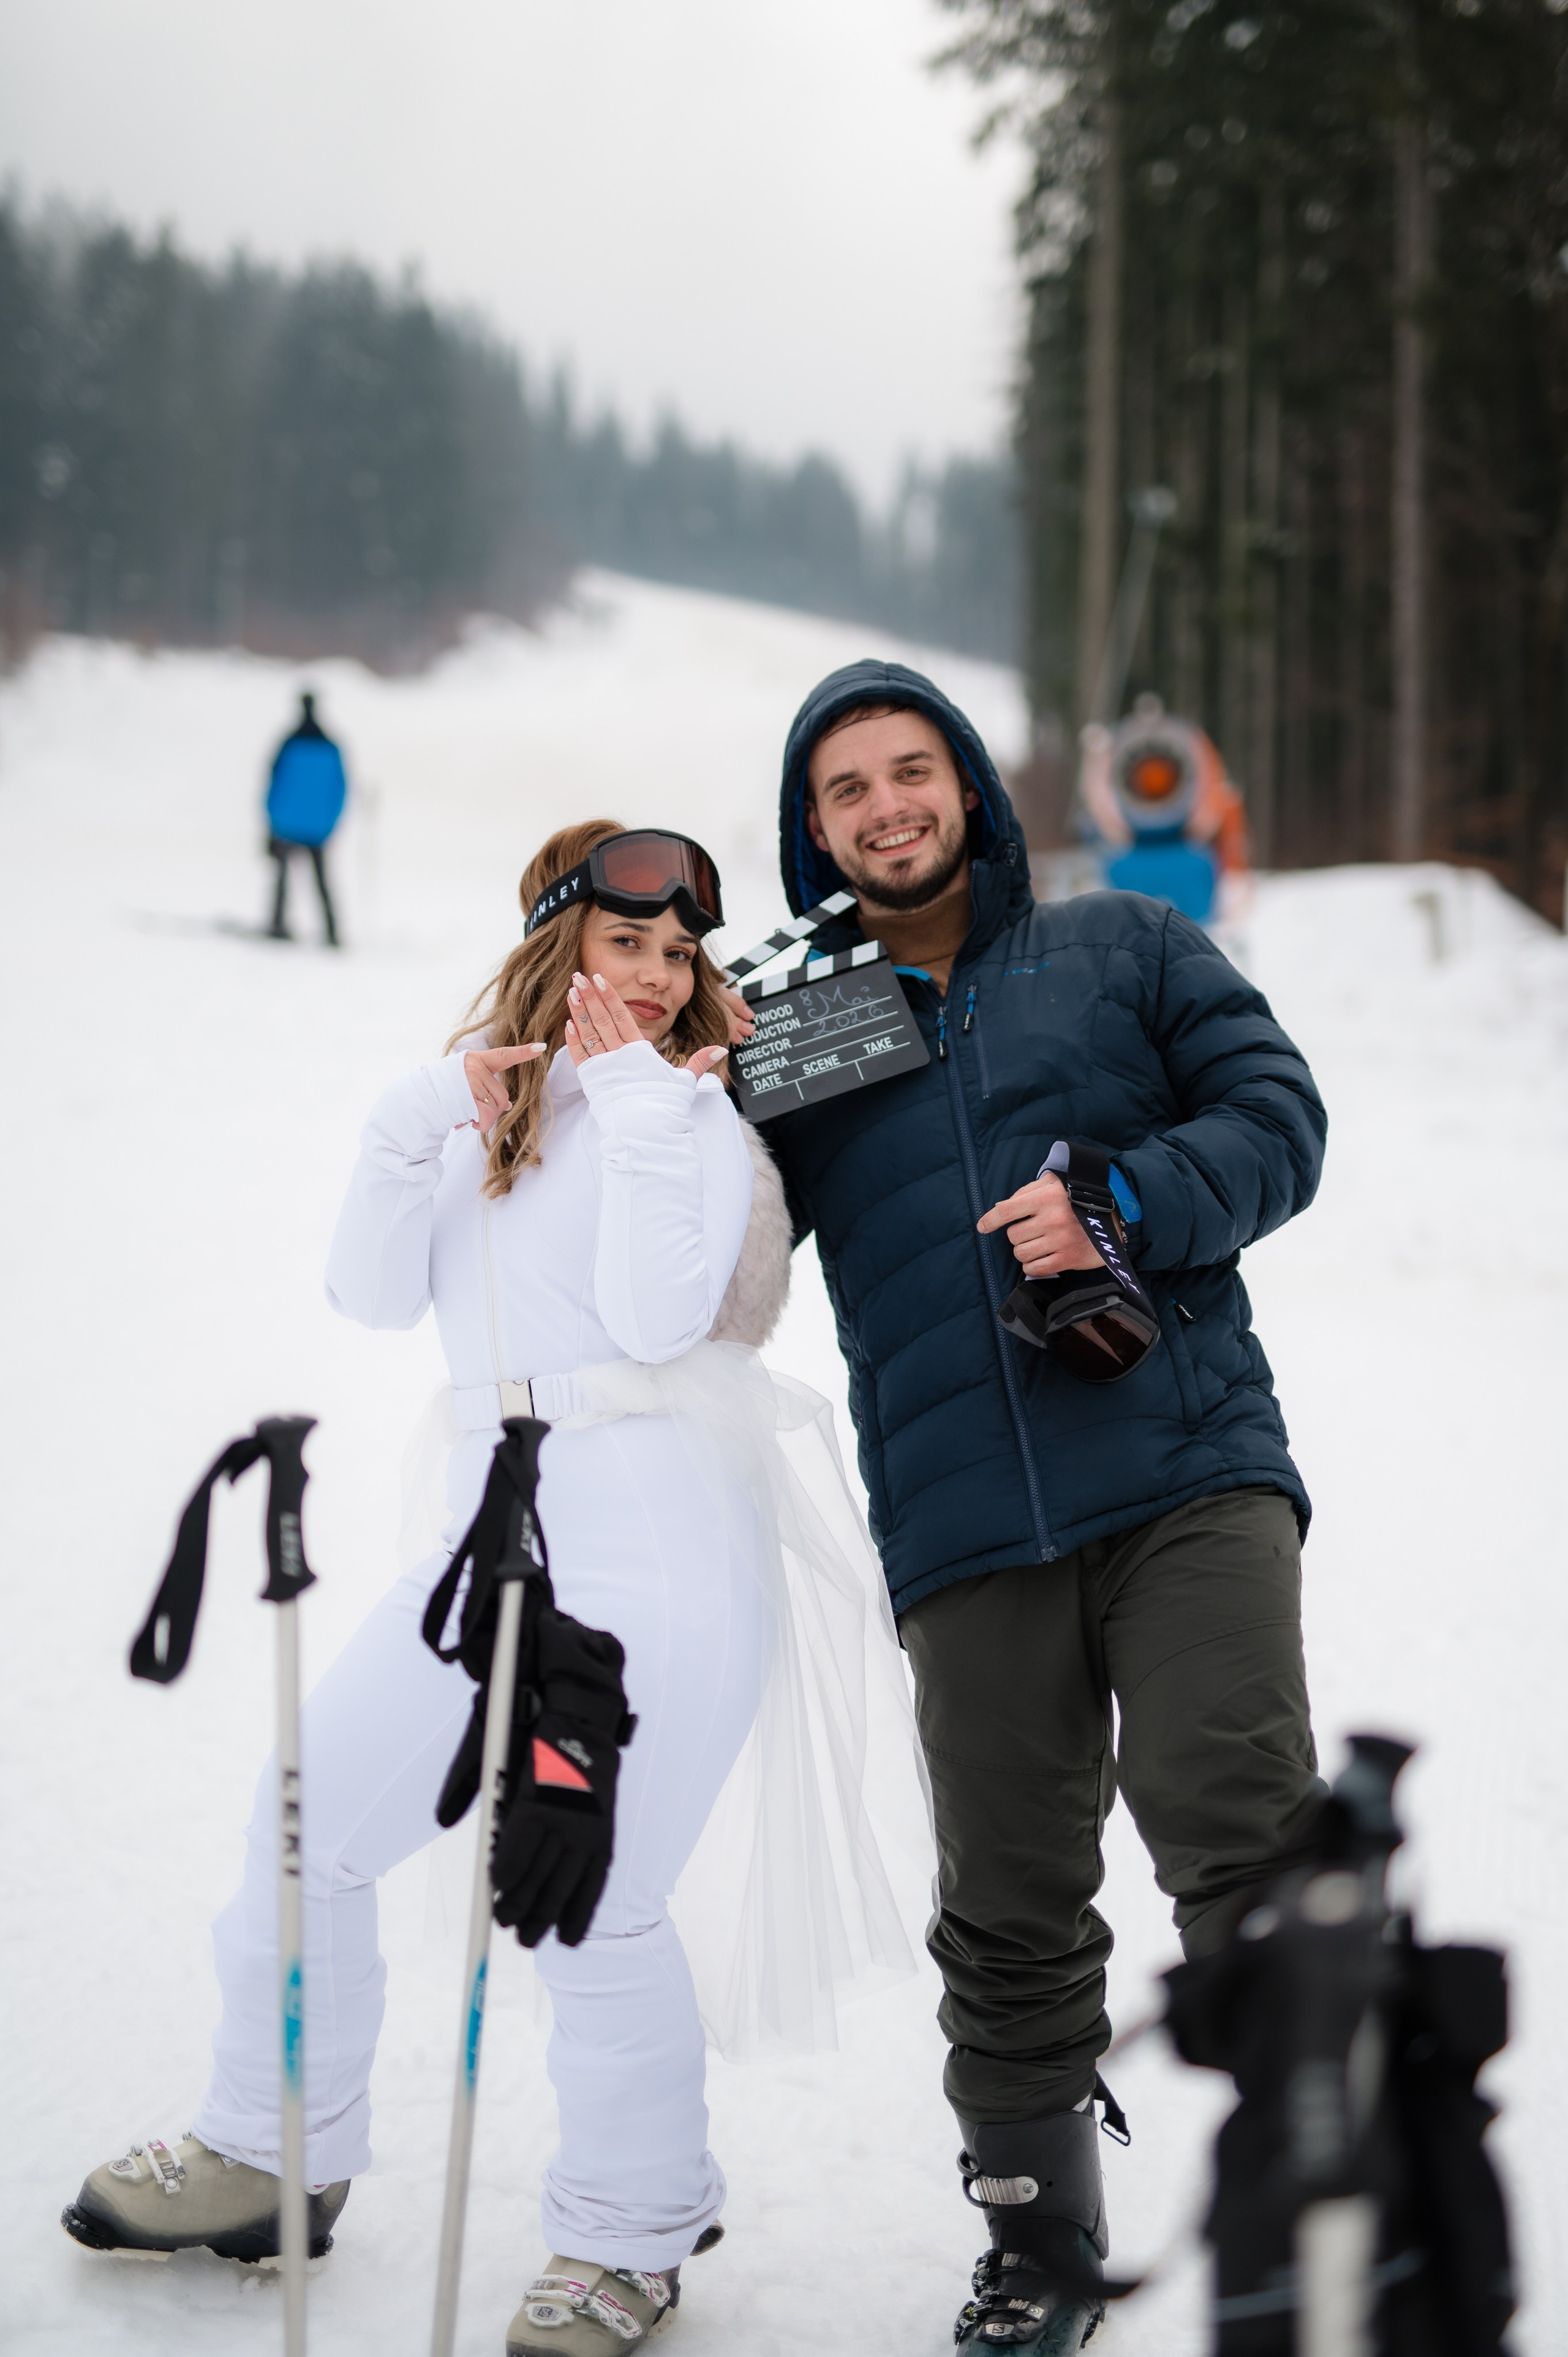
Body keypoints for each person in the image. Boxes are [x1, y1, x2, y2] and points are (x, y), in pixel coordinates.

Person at [62, 819, 916, 2355]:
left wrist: (653, 1107)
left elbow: (661, 1316)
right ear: (554, 947)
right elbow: (371, 1290)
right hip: (483, 1537)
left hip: (654, 1543)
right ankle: (269, 2148)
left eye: (678, 954)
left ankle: (625, 2238)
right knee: (302, 1817)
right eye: (623, 945)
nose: (655, 977)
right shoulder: (486, 1118)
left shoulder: (701, 1124)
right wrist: (419, 1117)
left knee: (589, 1892)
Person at [749, 661, 1328, 2353]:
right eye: (845, 791)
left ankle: (1318, 2202)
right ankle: (1039, 2249)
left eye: (907, 771)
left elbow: (1280, 1119)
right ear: (816, 830)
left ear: (971, 786)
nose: (883, 808)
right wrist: (582, 1100)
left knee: (1238, 1826)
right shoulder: (798, 1025)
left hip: (1185, 1468)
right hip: (962, 1523)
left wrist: (1132, 1197)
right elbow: (688, 1244)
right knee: (1007, 1902)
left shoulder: (1120, 948)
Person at [265, 690, 347, 946]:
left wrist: (272, 818)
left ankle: (278, 926)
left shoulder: (289, 743)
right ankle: (332, 931)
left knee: (283, 877)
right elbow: (340, 788)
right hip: (318, 826)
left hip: (287, 822)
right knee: (322, 880)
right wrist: (331, 822)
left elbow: (274, 781)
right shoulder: (331, 745)